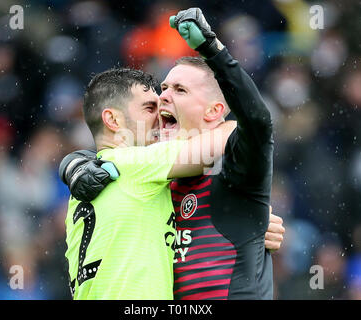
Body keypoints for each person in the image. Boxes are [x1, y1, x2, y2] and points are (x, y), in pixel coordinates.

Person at [60, 8, 284, 299]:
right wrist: (74, 162)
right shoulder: (151, 179)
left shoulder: (234, 165)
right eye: (162, 89)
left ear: (214, 110)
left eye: (179, 90)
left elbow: (257, 123)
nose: (163, 96)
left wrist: (213, 49)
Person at [64, 67, 236, 300]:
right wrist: (230, 122)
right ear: (113, 119)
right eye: (149, 108)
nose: (160, 116)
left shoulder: (92, 183)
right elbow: (227, 140)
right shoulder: (136, 165)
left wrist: (249, 220)